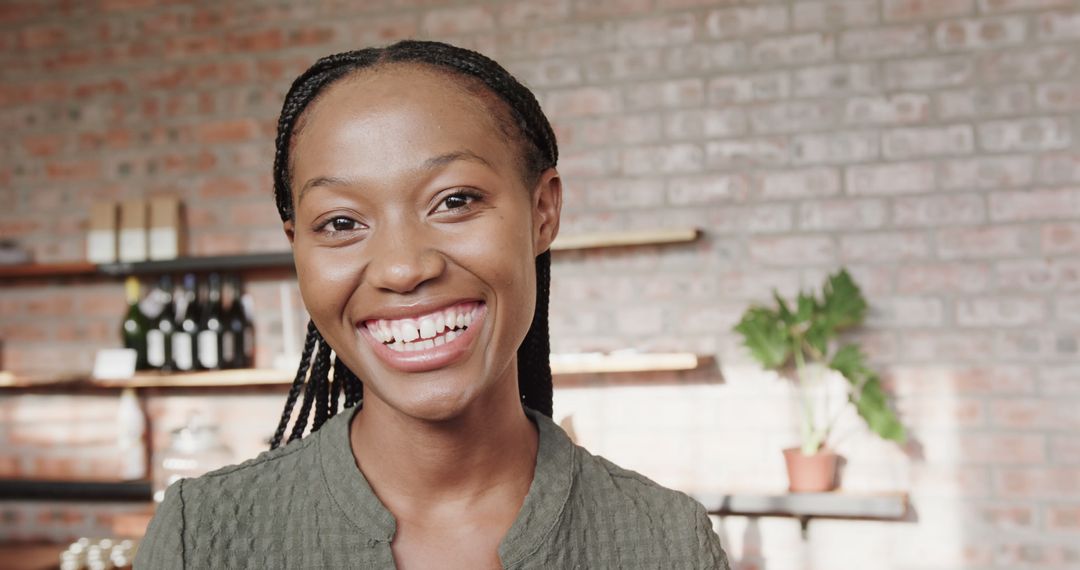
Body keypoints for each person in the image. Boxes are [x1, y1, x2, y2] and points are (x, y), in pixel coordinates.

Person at [135, 40, 730, 569]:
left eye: (454, 201)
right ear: (299, 249)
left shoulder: (665, 541)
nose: (403, 266)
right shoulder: (204, 537)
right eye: (341, 222)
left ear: (543, 212)